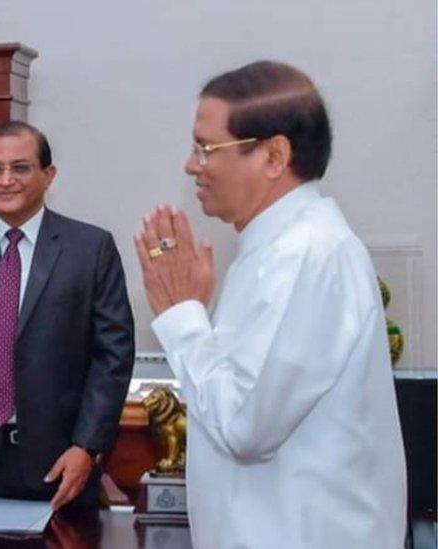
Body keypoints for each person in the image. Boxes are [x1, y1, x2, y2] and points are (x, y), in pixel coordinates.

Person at [134, 60, 406, 548]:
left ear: (275, 156)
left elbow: (245, 428)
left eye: (205, 148)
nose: (191, 164)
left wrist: (182, 318)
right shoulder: (272, 251)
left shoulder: (306, 254)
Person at [0, 121, 135, 509]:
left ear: (48, 175)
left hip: (63, 463)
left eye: (20, 168)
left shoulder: (91, 248)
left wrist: (87, 447)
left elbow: (112, 358)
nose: (5, 180)